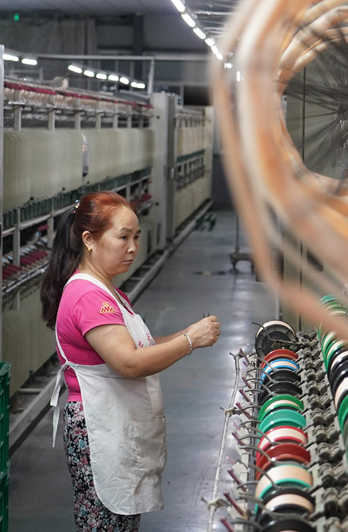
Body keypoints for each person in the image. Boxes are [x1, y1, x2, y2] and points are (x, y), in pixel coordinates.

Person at [40, 191, 220, 531]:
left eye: (135, 237)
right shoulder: (88, 295)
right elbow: (129, 362)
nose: (133, 247)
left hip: (112, 421)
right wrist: (189, 342)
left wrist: (186, 335)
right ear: (89, 240)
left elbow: (140, 345)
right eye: (123, 237)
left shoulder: (105, 290)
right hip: (99, 426)